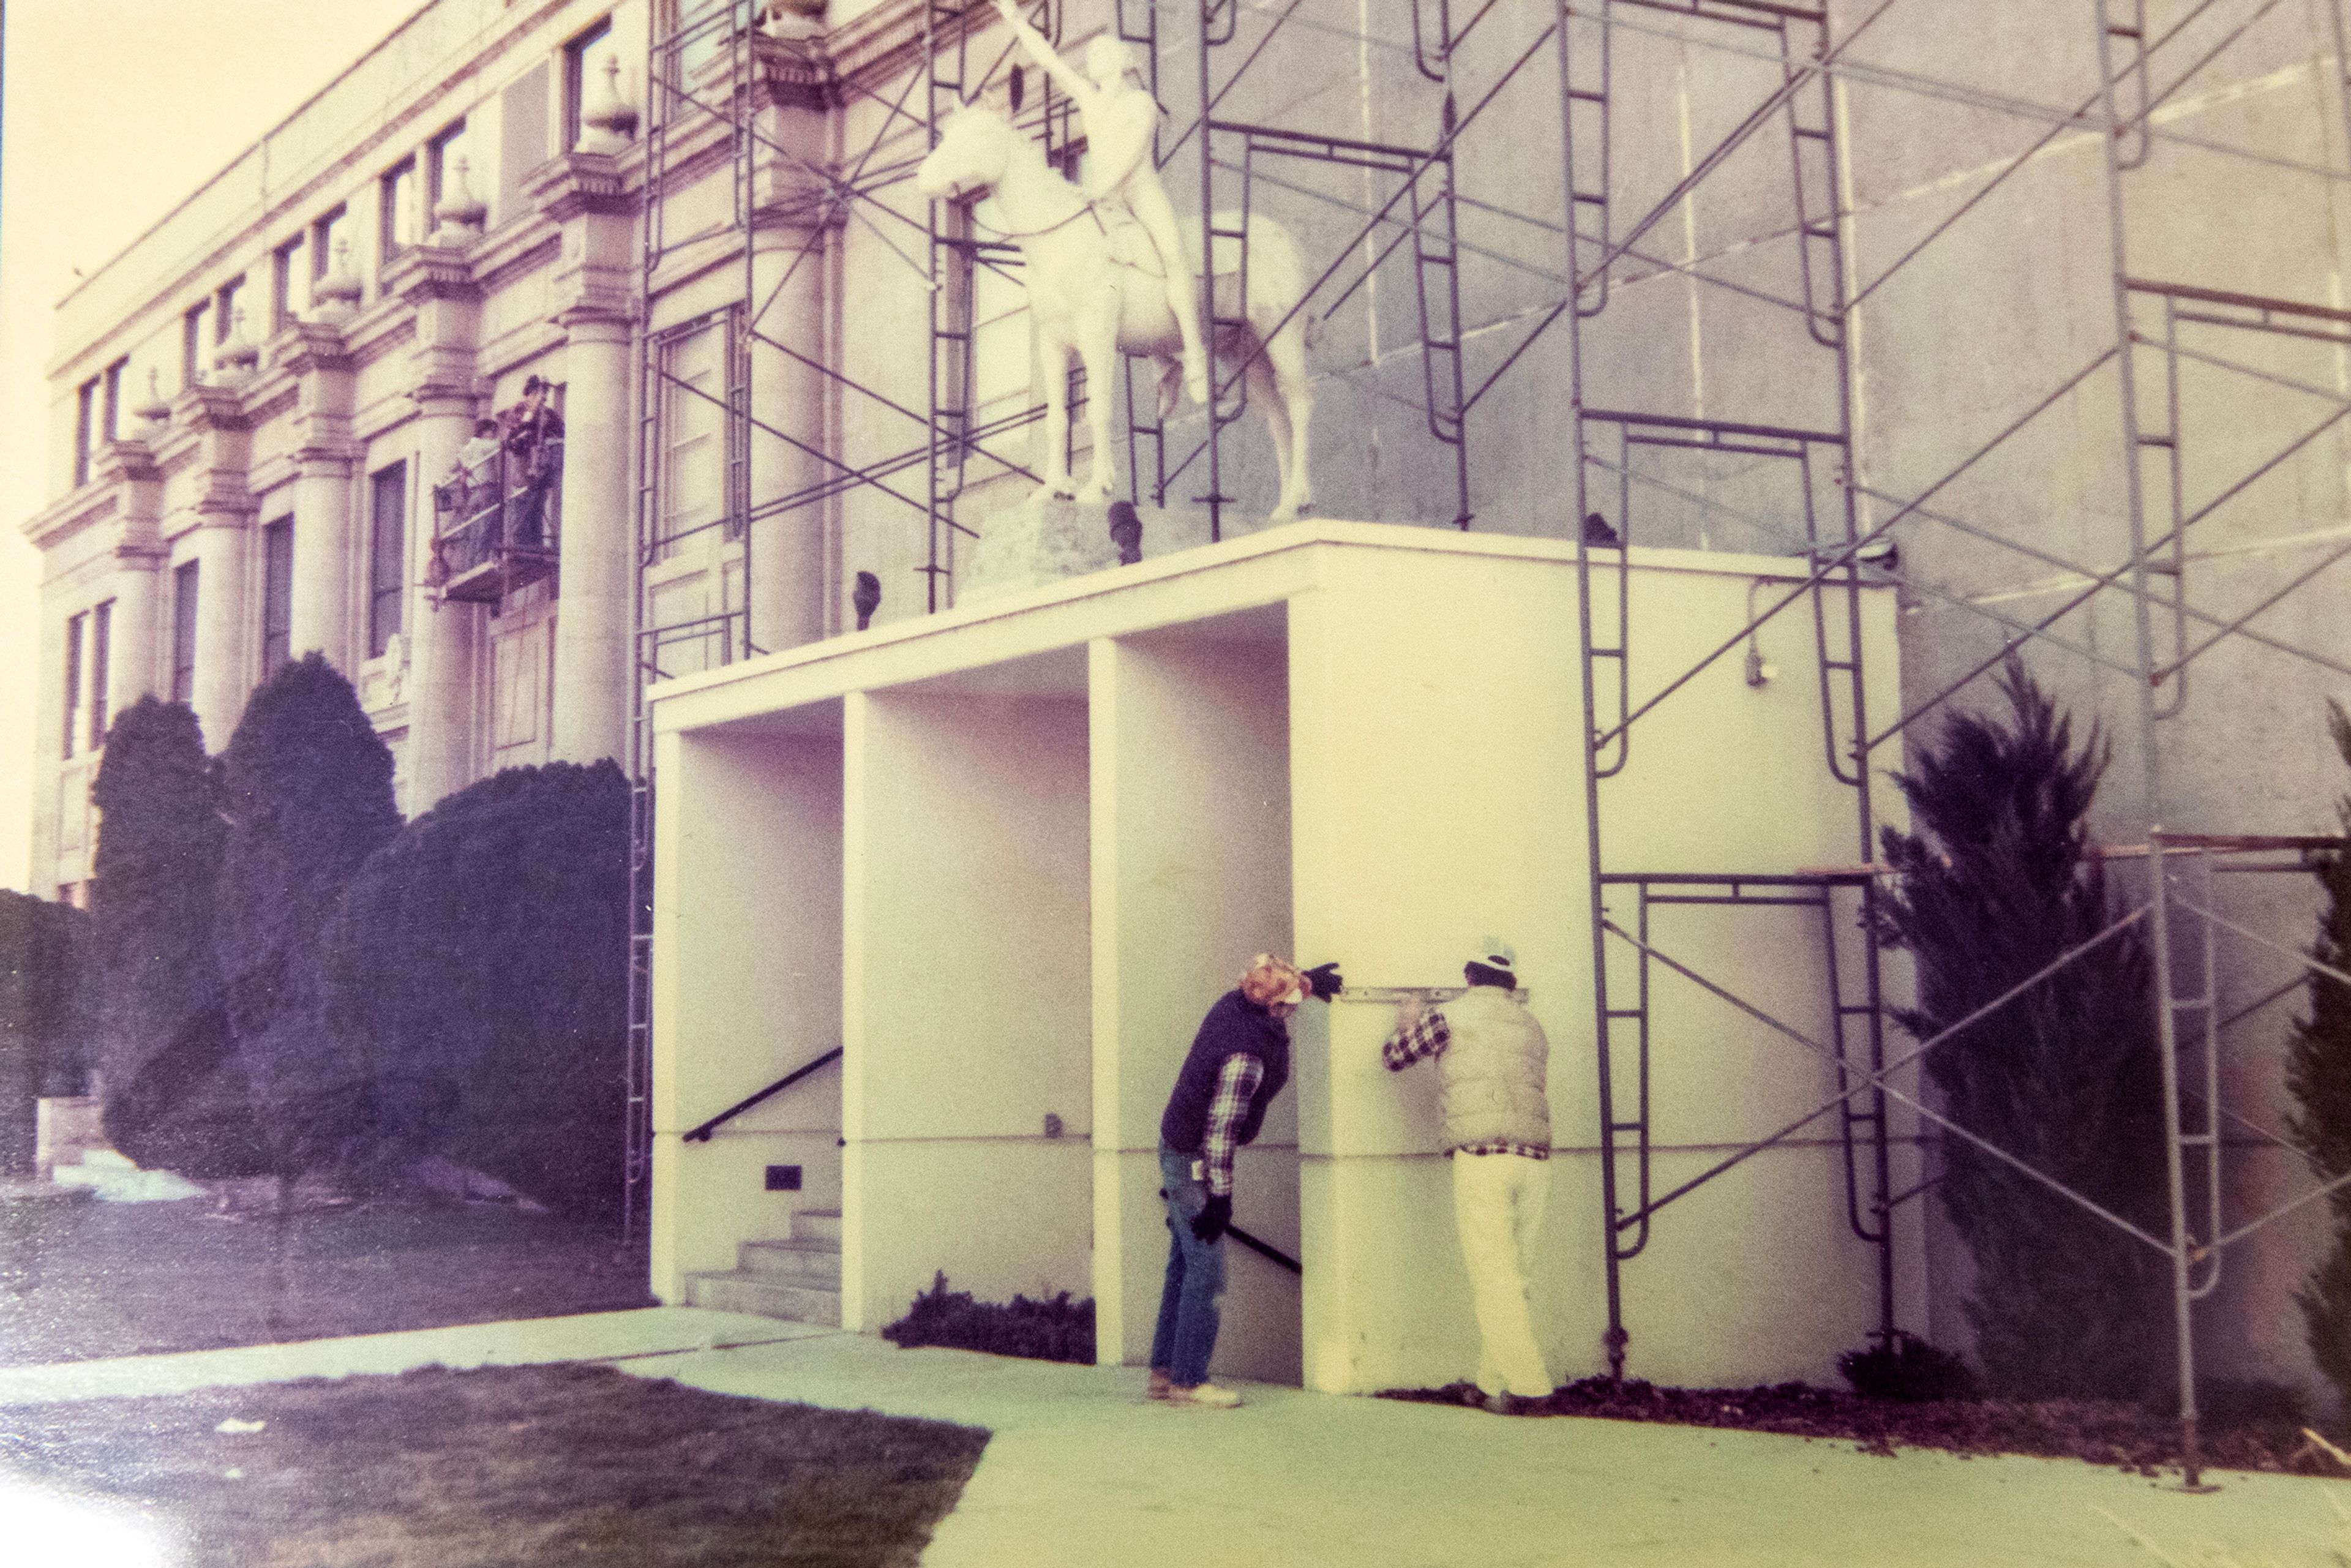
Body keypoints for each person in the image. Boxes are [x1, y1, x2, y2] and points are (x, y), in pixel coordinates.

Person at [991, 0, 1212, 405]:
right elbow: (1050, 61)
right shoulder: (1090, 99)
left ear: (1121, 61)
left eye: (1099, 53)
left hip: (1140, 193)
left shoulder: (1140, 104)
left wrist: (1095, 190)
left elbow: (1130, 158)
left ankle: (1195, 352)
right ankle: (1163, 359)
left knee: (1172, 253)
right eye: (1090, 55)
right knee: (1108, 278)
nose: (1091, 59)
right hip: (1105, 199)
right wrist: (1015, 20)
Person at [1150, 952, 1341, 1408]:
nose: (1295, 1007)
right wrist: (1220, 1199)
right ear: (1273, 1006)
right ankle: (1189, 1381)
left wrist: (1306, 980)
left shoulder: (1235, 1001)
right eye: (1290, 1001)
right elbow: (1218, 1134)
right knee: (1208, 1270)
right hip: (1195, 1155)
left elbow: (1274, 989)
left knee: (1184, 1262)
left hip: (1178, 1145)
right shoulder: (1245, 1055)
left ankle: (1164, 1372)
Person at [1382, 938, 1555, 1414]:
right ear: (1511, 982)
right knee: (1513, 1277)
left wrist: (1408, 1019)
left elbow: (1395, 1056)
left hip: (1483, 1159)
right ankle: (1490, 1383)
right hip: (1535, 1159)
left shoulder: (1450, 1016)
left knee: (1493, 1277)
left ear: (1469, 975)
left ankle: (1530, 1386)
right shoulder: (1532, 1025)